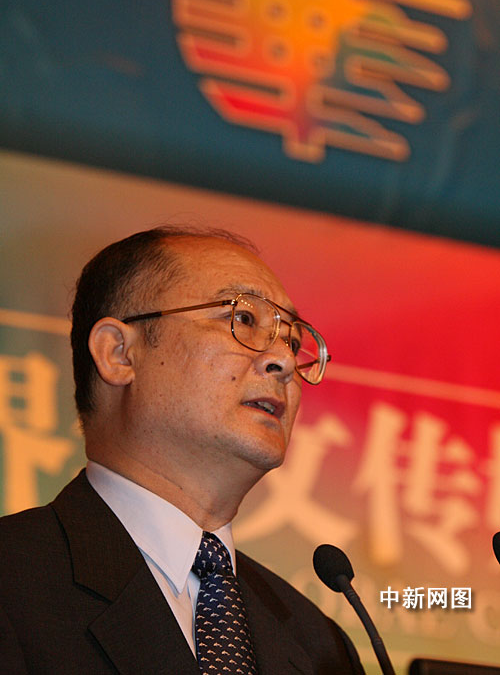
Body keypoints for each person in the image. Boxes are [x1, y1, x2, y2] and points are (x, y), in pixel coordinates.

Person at [0, 226, 364, 674]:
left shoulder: (321, 645)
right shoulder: (13, 579)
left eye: (291, 340)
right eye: (243, 319)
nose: (284, 361)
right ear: (119, 354)